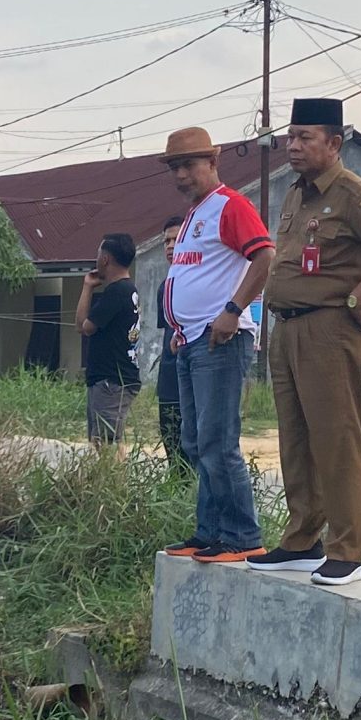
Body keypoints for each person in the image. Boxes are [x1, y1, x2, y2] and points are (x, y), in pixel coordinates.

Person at [248, 98, 361, 587]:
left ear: (335, 143)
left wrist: (357, 297)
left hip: (327, 328)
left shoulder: (354, 194)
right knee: (295, 439)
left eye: (305, 138)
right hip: (287, 327)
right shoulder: (296, 193)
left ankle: (348, 550)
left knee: (337, 440)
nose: (293, 147)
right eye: (290, 137)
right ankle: (302, 540)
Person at [157, 127, 273, 562]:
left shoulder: (229, 205)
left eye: (189, 164)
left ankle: (242, 536)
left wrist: (232, 309)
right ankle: (209, 531)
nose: (181, 174)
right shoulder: (194, 215)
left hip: (219, 338)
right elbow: (195, 275)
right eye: (175, 167)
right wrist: (178, 328)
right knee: (194, 440)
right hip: (191, 340)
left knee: (218, 441)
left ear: (213, 161)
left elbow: (265, 256)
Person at [78, 230, 141, 453]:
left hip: (111, 380)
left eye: (98, 253)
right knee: (102, 441)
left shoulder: (117, 292)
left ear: (105, 258)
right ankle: (112, 484)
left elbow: (84, 326)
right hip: (114, 378)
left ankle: (118, 486)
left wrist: (86, 287)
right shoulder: (127, 289)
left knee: (108, 444)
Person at [153, 214, 190, 473]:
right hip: (168, 377)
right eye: (166, 240)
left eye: (176, 239)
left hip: (192, 375)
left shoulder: (199, 283)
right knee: (172, 449)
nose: (170, 245)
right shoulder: (164, 287)